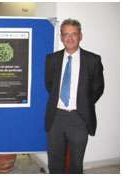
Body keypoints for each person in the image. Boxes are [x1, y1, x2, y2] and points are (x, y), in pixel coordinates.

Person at [44, 19, 104, 174]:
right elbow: (49, 85)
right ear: (61, 37)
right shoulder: (52, 59)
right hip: (56, 117)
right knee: (55, 161)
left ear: (80, 36)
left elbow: (98, 88)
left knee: (76, 162)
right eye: (66, 34)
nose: (70, 38)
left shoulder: (93, 60)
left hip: (79, 118)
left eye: (73, 34)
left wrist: (84, 104)